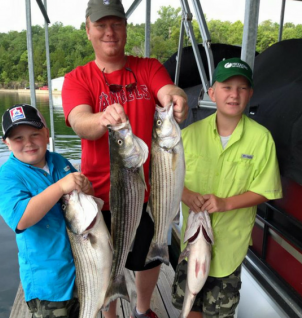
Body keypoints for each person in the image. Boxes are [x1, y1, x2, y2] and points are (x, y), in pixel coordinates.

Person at [61, 0, 189, 317]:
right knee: (107, 261)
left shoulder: (147, 67)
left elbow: (167, 90)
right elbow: (79, 121)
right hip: (98, 197)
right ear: (88, 29)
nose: (109, 32)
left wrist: (176, 97)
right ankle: (110, 313)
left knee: (148, 255)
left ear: (125, 28)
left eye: (116, 24)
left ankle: (142, 309)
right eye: (101, 25)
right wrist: (101, 118)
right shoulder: (77, 78)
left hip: (147, 190)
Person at [171, 58, 282, 318]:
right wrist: (185, 194)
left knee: (218, 313)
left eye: (242, 88)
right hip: (191, 243)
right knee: (189, 308)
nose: (234, 94)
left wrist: (226, 203)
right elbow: (168, 178)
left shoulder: (262, 139)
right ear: (212, 93)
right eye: (227, 87)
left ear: (250, 93)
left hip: (229, 249)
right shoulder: (188, 135)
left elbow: (266, 189)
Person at [0, 104, 92, 317]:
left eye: (34, 134)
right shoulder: (7, 177)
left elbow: (84, 196)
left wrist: (85, 186)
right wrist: (60, 187)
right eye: (18, 138)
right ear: (6, 143)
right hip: (49, 285)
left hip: (81, 270)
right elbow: (21, 219)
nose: (28, 143)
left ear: (46, 134)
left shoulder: (58, 161)